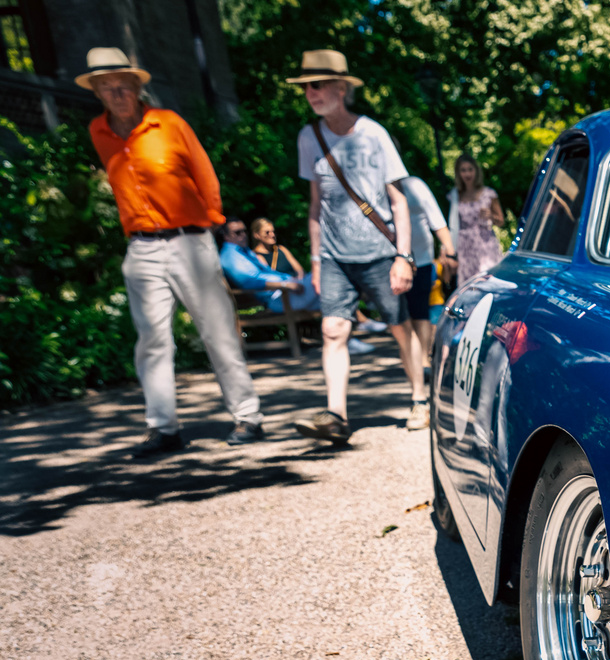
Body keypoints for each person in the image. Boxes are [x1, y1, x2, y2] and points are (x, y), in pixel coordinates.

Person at [80, 48, 266, 455]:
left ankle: (248, 416)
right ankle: (163, 428)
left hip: (189, 241)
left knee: (217, 331)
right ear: (97, 92)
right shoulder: (99, 131)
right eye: (107, 88)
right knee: (152, 340)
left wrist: (209, 223)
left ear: (137, 87)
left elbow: (204, 175)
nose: (117, 94)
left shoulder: (169, 123)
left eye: (123, 86)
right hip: (142, 248)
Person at [288, 50, 420, 443]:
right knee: (333, 330)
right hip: (333, 256)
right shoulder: (308, 138)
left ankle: (419, 398)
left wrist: (403, 257)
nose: (311, 93)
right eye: (306, 87)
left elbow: (399, 201)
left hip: (381, 252)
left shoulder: (373, 135)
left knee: (400, 328)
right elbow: (315, 206)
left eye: (318, 85)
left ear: (341, 88)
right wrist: (314, 260)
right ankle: (336, 416)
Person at [398, 172, 457, 428]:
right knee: (401, 324)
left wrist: (451, 252)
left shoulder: (414, 184)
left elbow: (436, 219)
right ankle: (418, 390)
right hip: (386, 265)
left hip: (420, 262)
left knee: (420, 315)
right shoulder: (369, 188)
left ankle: (423, 364)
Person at [219, 217, 319, 313]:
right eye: (238, 232)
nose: (243, 235)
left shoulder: (244, 252)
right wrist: (285, 284)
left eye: (244, 231)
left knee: (328, 293)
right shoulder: (230, 256)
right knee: (325, 273)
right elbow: (248, 282)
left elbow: (296, 270)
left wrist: (290, 281)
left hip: (287, 291)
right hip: (279, 296)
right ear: (226, 236)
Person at [449, 154, 506, 280]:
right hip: (465, 247)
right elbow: (451, 225)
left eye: (470, 169)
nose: (467, 173)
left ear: (476, 170)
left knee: (488, 280)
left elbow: (501, 221)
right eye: (463, 170)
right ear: (458, 173)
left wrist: (490, 216)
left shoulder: (489, 193)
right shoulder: (454, 196)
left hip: (485, 244)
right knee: (470, 286)